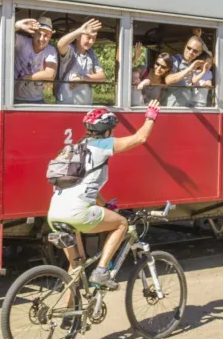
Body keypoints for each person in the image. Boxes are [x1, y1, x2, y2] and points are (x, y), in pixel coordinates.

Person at [47, 101, 160, 290]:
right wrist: (150, 116)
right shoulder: (103, 145)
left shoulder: (76, 147)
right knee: (122, 224)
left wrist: (106, 205)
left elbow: (87, 186)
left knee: (75, 268)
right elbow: (139, 138)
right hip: (78, 212)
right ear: (107, 131)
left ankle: (67, 317)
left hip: (55, 212)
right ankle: (101, 272)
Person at [56, 19, 106, 105]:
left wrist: (82, 79)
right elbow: (60, 45)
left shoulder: (91, 53)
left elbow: (102, 76)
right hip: (66, 105)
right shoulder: (70, 50)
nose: (91, 42)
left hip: (86, 105)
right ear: (78, 37)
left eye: (93, 38)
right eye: (88, 37)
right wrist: (80, 30)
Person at [14, 15, 58, 104]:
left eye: (46, 35)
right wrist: (17, 25)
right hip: (15, 99)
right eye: (39, 34)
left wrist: (25, 78)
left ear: (50, 37)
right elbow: (5, 34)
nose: (42, 39)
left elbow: (50, 74)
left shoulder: (51, 50)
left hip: (37, 99)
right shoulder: (22, 42)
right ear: (33, 33)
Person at [164, 35, 205, 108]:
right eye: (189, 48)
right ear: (185, 46)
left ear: (199, 53)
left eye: (195, 51)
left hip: (186, 107)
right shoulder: (175, 60)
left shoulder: (192, 64)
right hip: (172, 107)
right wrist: (189, 69)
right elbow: (168, 80)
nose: (190, 52)